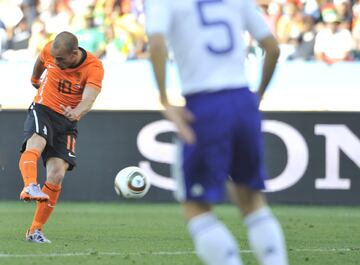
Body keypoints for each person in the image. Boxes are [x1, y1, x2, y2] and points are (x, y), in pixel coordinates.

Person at [146, 1, 288, 265]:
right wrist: (258, 95)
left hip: (204, 104)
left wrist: (165, 99)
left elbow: (156, 44)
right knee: (252, 201)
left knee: (196, 207)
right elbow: (273, 49)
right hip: (242, 98)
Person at [19, 31, 104, 243]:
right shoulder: (51, 49)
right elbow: (41, 60)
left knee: (57, 174)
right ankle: (30, 185)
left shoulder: (93, 68)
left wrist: (77, 112)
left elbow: (89, 98)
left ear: (74, 53)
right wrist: (34, 78)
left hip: (67, 120)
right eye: (54, 58)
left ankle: (35, 230)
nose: (56, 62)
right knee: (36, 142)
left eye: (61, 59)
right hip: (44, 107)